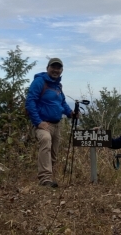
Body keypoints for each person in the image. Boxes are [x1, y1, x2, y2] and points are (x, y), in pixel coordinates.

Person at [25, 57, 75, 188]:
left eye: (58, 68)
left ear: (61, 70)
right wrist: (38, 122)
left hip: (57, 124)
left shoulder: (58, 85)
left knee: (53, 153)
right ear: (47, 68)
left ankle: (49, 177)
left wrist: (70, 113)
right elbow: (30, 102)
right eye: (53, 67)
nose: (56, 70)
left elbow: (62, 102)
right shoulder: (39, 82)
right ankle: (45, 179)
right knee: (46, 141)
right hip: (43, 124)